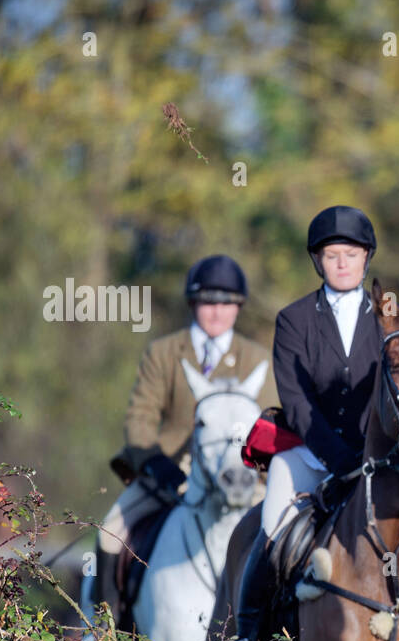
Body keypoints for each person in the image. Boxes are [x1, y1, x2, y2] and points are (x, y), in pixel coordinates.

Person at [228, 205, 383, 641]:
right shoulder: (293, 319)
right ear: (318, 261)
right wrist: (339, 459)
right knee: (275, 529)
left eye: (350, 254)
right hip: (309, 455)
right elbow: (295, 401)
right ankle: (249, 637)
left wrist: (372, 451)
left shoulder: (388, 314)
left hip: (376, 456)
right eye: (332, 254)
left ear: (366, 258)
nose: (341, 263)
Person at [94, 254, 278, 616]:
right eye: (209, 301)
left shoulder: (257, 358)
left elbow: (269, 424)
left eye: (227, 303)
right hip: (171, 473)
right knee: (109, 531)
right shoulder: (163, 353)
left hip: (240, 471)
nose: (217, 311)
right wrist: (155, 462)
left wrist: (260, 469)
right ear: (194, 303)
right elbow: (141, 416)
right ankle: (102, 629)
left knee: (281, 532)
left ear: (238, 307)